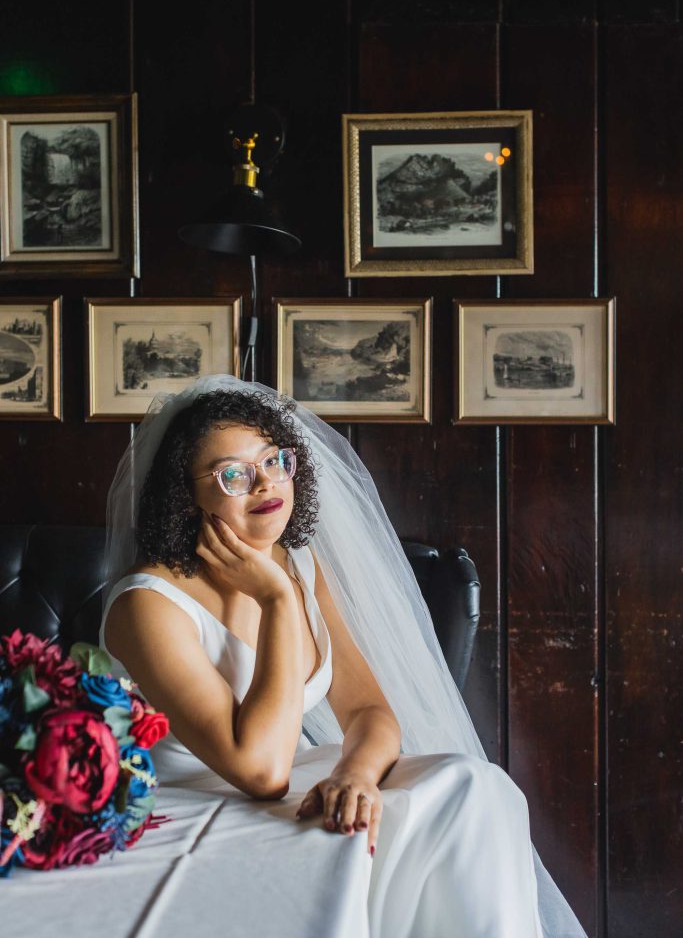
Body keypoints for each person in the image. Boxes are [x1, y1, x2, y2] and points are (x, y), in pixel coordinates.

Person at [100, 374, 588, 938]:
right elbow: (258, 770)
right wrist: (276, 599)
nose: (265, 483)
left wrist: (355, 776)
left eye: (275, 459)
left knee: (473, 786)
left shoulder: (300, 565)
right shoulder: (149, 605)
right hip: (192, 812)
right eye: (233, 474)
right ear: (185, 498)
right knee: (435, 811)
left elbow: (369, 712)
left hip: (290, 787)